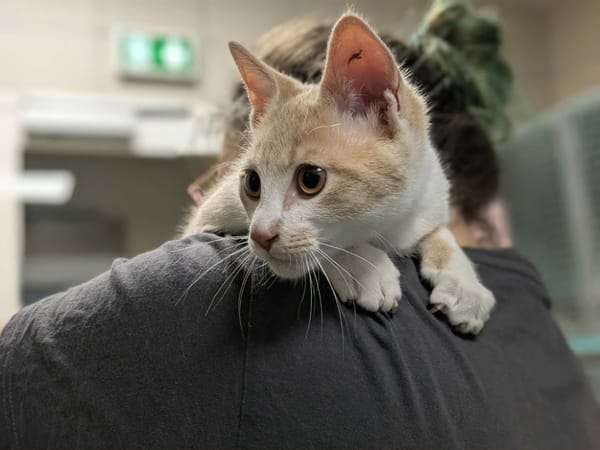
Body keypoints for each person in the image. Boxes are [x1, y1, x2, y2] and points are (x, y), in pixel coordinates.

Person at [1, 2, 599, 449]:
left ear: (384, 110)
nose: (260, 231)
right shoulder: (529, 306)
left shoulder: (237, 305)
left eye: (309, 179)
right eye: (250, 184)